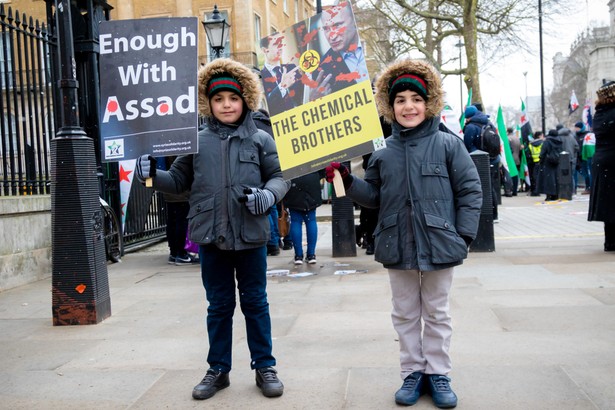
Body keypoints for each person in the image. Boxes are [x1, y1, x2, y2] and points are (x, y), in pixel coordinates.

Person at [326, 59, 482, 409]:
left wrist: (464, 236)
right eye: (400, 100)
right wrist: (347, 181)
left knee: (438, 312)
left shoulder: (448, 144)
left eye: (415, 98)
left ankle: (439, 373)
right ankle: (413, 372)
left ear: (428, 104)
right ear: (389, 106)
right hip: (397, 242)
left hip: (441, 242)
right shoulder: (383, 151)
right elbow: (374, 197)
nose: (408, 106)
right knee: (405, 312)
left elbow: (471, 191)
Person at [135, 58, 289, 400]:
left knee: (256, 302)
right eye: (219, 100)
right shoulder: (196, 140)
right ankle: (218, 369)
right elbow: (176, 180)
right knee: (218, 305)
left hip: (250, 235)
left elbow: (280, 177)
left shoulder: (261, 139)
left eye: (232, 99)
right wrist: (149, 173)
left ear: (244, 100)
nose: (226, 105)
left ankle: (265, 366)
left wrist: (267, 195)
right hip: (210, 235)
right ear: (209, 102)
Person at [311, 2, 367, 98]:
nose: (332, 36)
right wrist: (316, 102)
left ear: (354, 21)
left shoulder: (374, 49)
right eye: (326, 29)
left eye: (337, 25)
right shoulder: (322, 69)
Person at [588, 80, 615, 252]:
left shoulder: (599, 114)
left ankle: (610, 241)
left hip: (602, 161)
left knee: (608, 204)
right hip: (613, 160)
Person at [463, 104, 501, 222]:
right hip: (494, 159)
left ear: (468, 117)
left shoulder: (471, 127)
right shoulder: (488, 123)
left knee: (481, 187)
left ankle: (484, 215)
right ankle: (493, 214)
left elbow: (467, 145)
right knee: (490, 187)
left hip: (479, 161)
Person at [163, 156, 199, 265]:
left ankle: (173, 253)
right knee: (182, 222)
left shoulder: (165, 146)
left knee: (172, 222)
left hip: (168, 189)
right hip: (181, 191)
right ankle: (181, 253)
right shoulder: (182, 146)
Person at [259, 33, 304, 116]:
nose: (280, 47)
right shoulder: (260, 76)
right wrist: (282, 86)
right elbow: (267, 105)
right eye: (276, 44)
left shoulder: (292, 68)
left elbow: (304, 94)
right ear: (265, 50)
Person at [283, 171, 323, 265]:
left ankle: (298, 256)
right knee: (311, 220)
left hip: (294, 179)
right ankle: (311, 254)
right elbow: (322, 170)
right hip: (311, 179)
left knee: (295, 221)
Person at [537, 129, 563, 201]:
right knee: (556, 178)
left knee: (548, 179)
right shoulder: (560, 141)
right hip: (557, 162)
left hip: (547, 162)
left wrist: (541, 160)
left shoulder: (547, 142)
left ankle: (549, 195)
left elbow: (543, 152)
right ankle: (556, 195)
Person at [574, 121, 593, 195]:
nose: (576, 129)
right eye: (575, 128)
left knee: (588, 173)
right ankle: (588, 187)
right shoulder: (575, 136)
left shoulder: (587, 135)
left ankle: (589, 187)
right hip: (579, 157)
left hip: (586, 156)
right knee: (584, 173)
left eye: (577, 128)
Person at [528, 131, 544, 196]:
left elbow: (528, 154)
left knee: (535, 177)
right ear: (539, 136)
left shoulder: (530, 145)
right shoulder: (543, 143)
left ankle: (535, 190)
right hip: (542, 162)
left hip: (534, 162)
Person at [507, 127, 521, 195]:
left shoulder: (508, 138)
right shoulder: (517, 138)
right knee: (515, 175)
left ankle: (509, 190)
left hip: (510, 159)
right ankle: (515, 190)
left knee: (509, 175)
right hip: (517, 159)